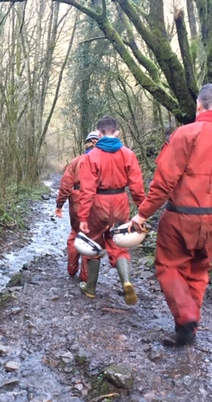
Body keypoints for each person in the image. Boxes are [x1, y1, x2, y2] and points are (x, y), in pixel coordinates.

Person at [130, 83, 212, 346]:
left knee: (168, 266)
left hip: (180, 217)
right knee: (198, 272)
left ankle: (186, 317)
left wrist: (142, 215)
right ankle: (187, 330)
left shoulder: (185, 134)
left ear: (198, 105)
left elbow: (164, 181)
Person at [78, 116, 146, 305]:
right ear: (117, 132)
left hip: (98, 203)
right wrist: (143, 211)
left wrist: (83, 216)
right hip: (120, 203)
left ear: (98, 134)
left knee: (92, 243)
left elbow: (87, 190)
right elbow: (137, 187)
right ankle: (126, 281)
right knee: (119, 244)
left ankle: (90, 288)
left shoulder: (91, 157)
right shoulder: (128, 154)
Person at [55, 130, 100, 281]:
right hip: (97, 199)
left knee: (75, 232)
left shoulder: (76, 161)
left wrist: (59, 205)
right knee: (91, 237)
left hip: (77, 199)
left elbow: (65, 185)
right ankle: (86, 277)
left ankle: (72, 268)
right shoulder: (104, 161)